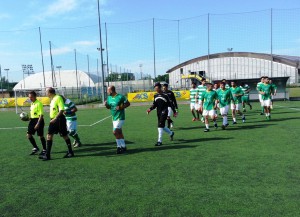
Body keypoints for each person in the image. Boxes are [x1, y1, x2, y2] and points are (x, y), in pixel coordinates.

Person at [40, 87, 74, 160]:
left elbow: (62, 109)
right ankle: (47, 154)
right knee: (49, 135)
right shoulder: (53, 99)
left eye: (47, 92)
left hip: (58, 119)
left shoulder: (58, 97)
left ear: (50, 92)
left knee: (64, 135)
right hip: (54, 120)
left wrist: (55, 118)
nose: (46, 93)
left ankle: (70, 152)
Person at [105, 86, 130, 154]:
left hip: (120, 117)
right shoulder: (109, 98)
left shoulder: (120, 97)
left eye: (108, 90)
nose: (107, 92)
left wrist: (121, 107)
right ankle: (124, 147)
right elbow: (108, 107)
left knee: (115, 132)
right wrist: (106, 105)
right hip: (114, 118)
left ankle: (119, 147)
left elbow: (128, 103)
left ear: (111, 91)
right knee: (119, 132)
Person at [26, 91, 46, 155]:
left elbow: (41, 115)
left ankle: (44, 149)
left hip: (38, 120)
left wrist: (38, 123)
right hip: (32, 120)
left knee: (40, 136)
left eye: (31, 97)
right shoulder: (32, 103)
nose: (30, 98)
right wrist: (28, 118)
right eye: (29, 97)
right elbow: (33, 114)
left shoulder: (39, 103)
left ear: (35, 96)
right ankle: (35, 147)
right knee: (28, 135)